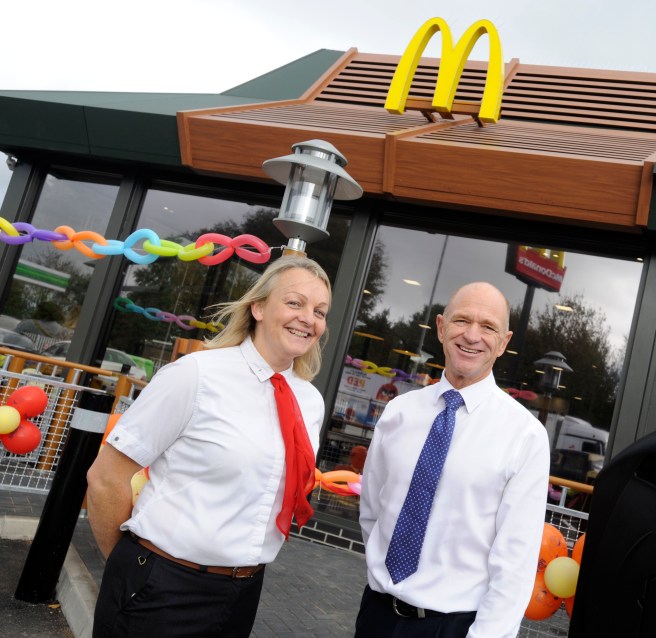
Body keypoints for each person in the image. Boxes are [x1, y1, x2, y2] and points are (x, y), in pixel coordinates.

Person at [85, 254, 331, 638]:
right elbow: (105, 478)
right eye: (295, 302)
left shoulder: (310, 401)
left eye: (320, 311)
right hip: (162, 589)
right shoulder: (196, 375)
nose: (308, 318)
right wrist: (130, 568)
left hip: (243, 593)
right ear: (259, 307)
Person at [356, 282, 551, 638]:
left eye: (488, 326)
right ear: (442, 328)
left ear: (504, 342)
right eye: (462, 321)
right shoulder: (399, 412)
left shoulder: (525, 436)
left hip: (457, 626)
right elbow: (373, 512)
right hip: (377, 615)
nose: (472, 335)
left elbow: (515, 563)